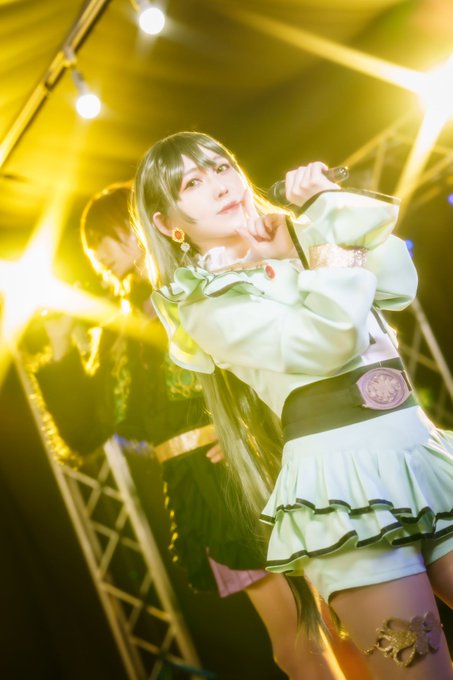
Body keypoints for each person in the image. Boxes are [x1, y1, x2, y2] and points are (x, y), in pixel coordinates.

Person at [132, 131, 453, 680]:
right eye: (192, 183)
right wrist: (307, 252)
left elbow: (397, 284)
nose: (220, 185)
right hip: (346, 493)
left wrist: (326, 209)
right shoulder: (203, 301)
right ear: (168, 225)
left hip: (420, 452)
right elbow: (329, 341)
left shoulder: (298, 237)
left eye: (221, 166)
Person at [33, 182, 368, 680]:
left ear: (136, 227)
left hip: (247, 467)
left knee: (328, 612)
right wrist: (60, 349)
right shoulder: (114, 332)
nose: (97, 255)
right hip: (196, 487)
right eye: (92, 248)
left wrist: (240, 431)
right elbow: (85, 434)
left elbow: (263, 360)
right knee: (297, 632)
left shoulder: (195, 285)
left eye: (103, 238)